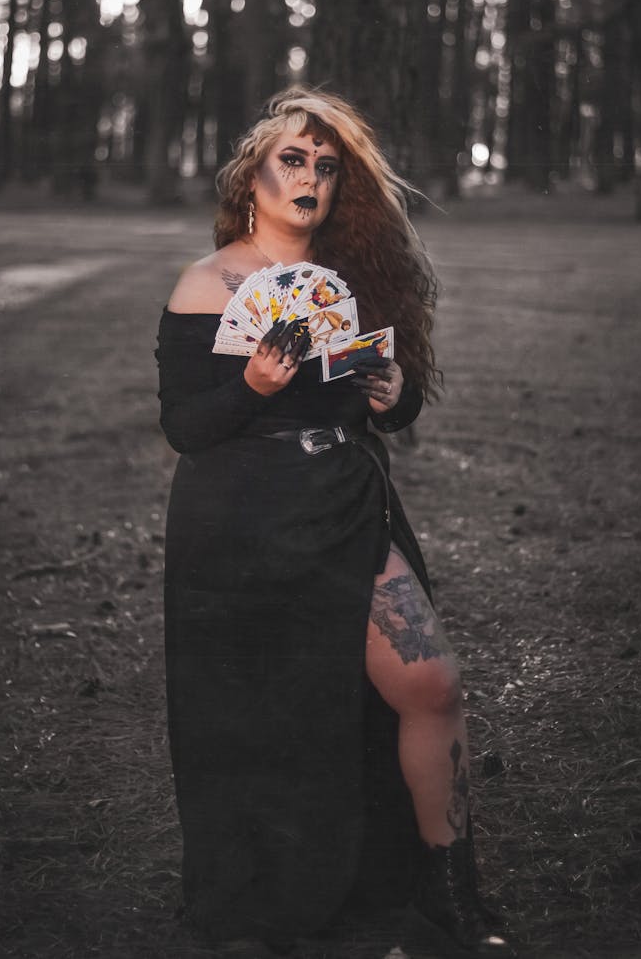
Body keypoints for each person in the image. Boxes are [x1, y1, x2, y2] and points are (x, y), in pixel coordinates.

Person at [156, 87, 515, 958]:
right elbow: (185, 428)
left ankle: (449, 892)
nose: (311, 174)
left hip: (344, 502)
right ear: (253, 175)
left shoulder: (354, 277)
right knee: (265, 716)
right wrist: (251, 386)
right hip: (238, 520)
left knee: (432, 682)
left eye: (326, 164)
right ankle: (268, 897)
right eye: (293, 158)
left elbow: (388, 397)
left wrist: (396, 395)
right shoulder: (209, 286)